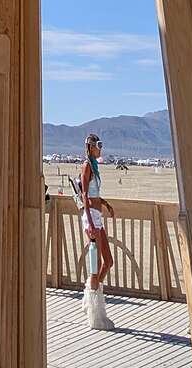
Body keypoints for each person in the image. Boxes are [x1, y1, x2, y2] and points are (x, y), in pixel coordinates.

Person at [80, 133, 115, 330]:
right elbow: (85, 194)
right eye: (98, 145)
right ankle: (94, 313)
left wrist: (106, 203)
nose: (100, 148)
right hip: (91, 216)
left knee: (108, 261)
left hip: (97, 214)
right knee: (97, 262)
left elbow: (94, 194)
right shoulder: (86, 165)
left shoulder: (95, 166)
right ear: (90, 147)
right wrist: (90, 224)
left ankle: (90, 294)